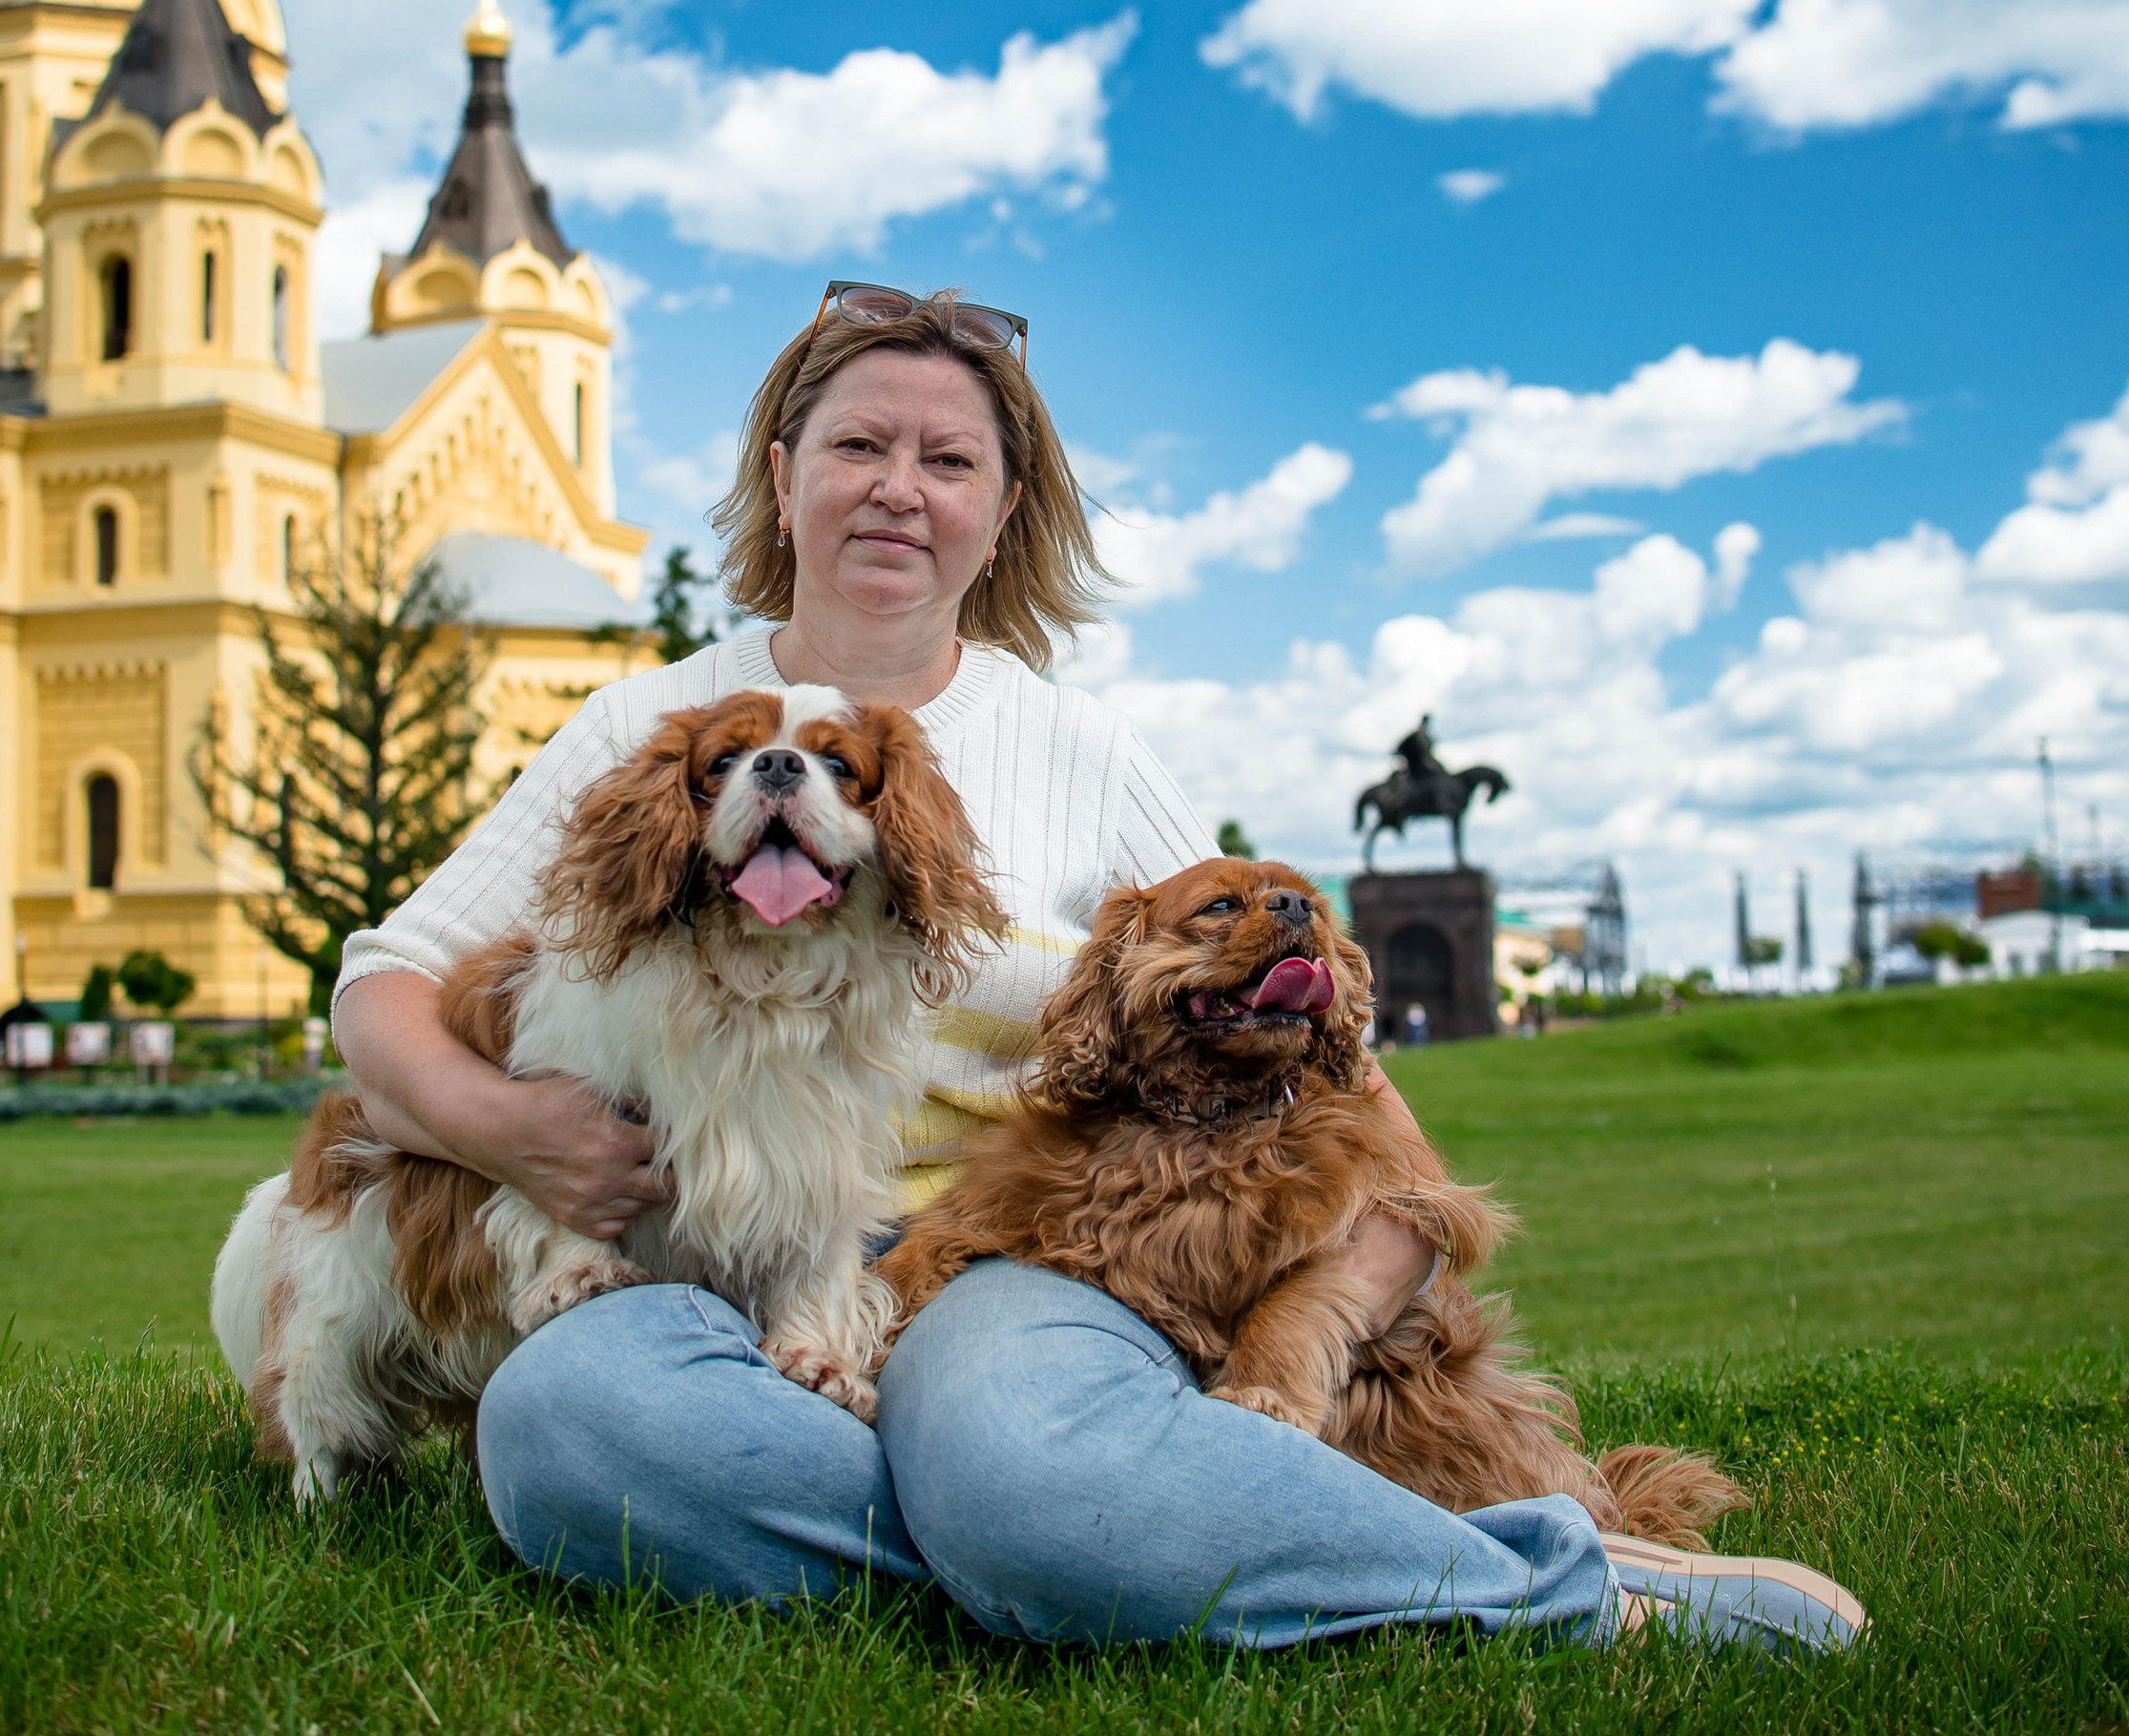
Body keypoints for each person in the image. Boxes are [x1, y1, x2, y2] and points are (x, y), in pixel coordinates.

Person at [333, 284, 1860, 1654]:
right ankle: (1088, 1543)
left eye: (950, 464)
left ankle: (1551, 1586)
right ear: (783, 477)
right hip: (688, 1259)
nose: (898, 490)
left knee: (1005, 1446)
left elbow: (1349, 1085)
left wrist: (1330, 1311)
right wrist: (502, 1129)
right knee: (568, 1433)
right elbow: (384, 989)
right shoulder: (640, 727)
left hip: (999, 1267)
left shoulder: (1085, 753)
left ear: (1001, 518)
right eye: (860, 445)